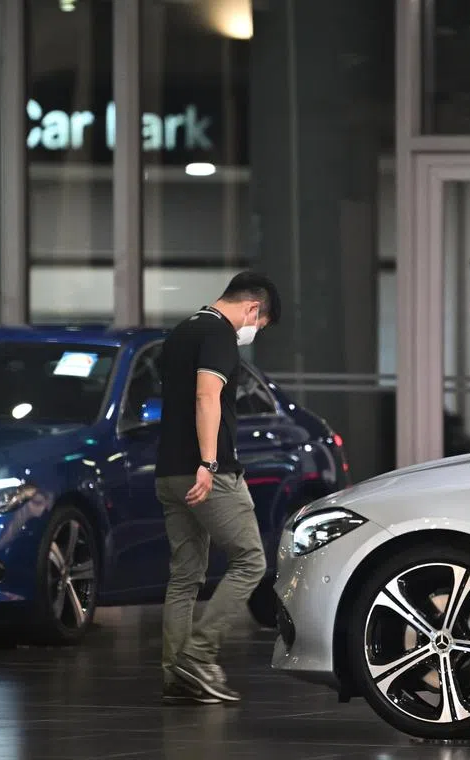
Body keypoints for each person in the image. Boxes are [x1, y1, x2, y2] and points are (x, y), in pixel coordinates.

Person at [155, 271, 281, 705]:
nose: (253, 333)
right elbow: (206, 396)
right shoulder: (219, 334)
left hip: (167, 471)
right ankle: (199, 655)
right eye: (259, 326)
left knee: (185, 576)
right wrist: (208, 463)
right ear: (251, 309)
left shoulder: (180, 333)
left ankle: (176, 674)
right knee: (250, 560)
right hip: (207, 471)